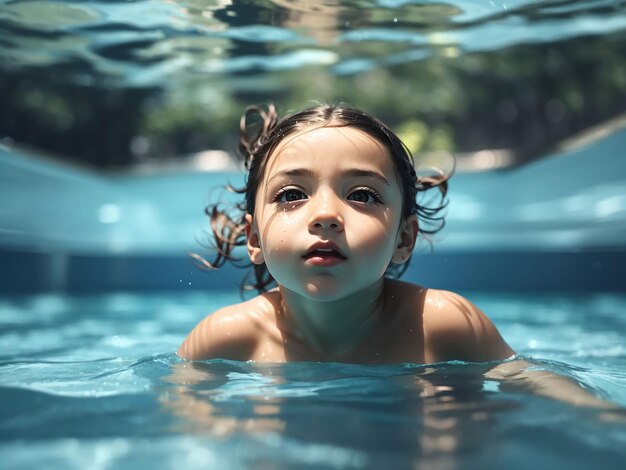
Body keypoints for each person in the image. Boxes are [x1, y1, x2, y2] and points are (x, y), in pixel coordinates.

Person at [178, 103, 514, 363]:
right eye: (292, 194)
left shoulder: (442, 326)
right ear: (254, 239)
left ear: (404, 239)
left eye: (362, 195)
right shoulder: (224, 340)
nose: (326, 215)